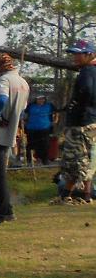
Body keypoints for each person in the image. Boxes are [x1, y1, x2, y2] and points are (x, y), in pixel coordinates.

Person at [0, 52, 30, 223]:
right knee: (0, 174)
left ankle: (3, 213)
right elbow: (23, 109)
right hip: (10, 131)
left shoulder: (4, 80)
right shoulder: (23, 83)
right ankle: (5, 210)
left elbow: (2, 98)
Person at [59, 39, 96, 201]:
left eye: (78, 54)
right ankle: (86, 196)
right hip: (92, 121)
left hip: (81, 123)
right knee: (87, 159)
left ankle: (67, 196)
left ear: (89, 54)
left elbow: (86, 90)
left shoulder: (87, 71)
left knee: (74, 161)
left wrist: (75, 107)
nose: (75, 58)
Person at [23, 93, 56, 165]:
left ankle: (45, 160)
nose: (41, 100)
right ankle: (30, 160)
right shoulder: (31, 106)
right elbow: (25, 114)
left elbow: (56, 112)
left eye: (42, 98)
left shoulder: (49, 105)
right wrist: (25, 123)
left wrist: (54, 121)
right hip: (32, 129)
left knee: (45, 145)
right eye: (39, 99)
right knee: (31, 145)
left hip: (45, 128)